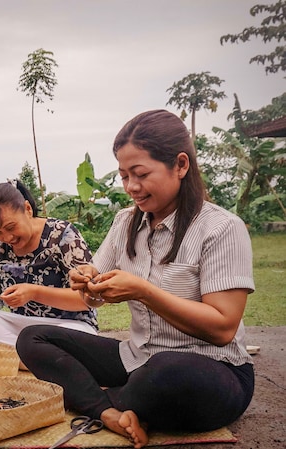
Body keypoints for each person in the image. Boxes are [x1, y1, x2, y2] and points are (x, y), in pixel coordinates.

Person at [16, 110, 255, 448]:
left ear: (181, 165)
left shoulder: (221, 229)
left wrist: (144, 291)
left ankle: (96, 400)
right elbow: (93, 293)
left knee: (164, 372)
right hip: (137, 357)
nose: (131, 187)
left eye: (140, 174)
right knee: (33, 338)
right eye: (124, 175)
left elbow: (222, 328)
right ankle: (112, 411)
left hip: (210, 369)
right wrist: (87, 282)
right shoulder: (126, 222)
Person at [0, 179, 98, 351]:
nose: (6, 238)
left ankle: (18, 353)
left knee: (76, 339)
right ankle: (36, 355)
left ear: (27, 209)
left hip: (67, 326)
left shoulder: (62, 234)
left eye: (11, 227)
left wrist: (34, 293)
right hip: (20, 329)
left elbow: (87, 300)